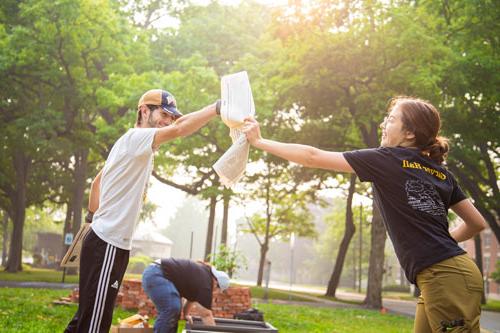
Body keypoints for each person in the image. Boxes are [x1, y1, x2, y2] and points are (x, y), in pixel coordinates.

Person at [242, 96, 487, 333]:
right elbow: (477, 223)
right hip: (450, 273)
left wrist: (260, 142)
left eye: (391, 119)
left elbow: (312, 156)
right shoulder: (440, 172)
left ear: (409, 133)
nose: (383, 124)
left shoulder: (388, 159)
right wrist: (441, 243)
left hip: (444, 277)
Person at [65, 89, 221, 333]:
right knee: (95, 324)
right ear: (143, 111)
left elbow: (98, 181)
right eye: (163, 114)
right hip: (107, 243)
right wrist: (218, 107)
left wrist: (90, 221)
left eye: (171, 117)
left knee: (87, 316)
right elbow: (180, 130)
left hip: (108, 243)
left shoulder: (131, 146)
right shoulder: (137, 139)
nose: (168, 121)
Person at [142, 258, 230, 333]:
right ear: (216, 282)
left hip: (156, 272)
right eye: (217, 289)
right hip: (157, 273)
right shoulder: (206, 283)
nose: (215, 291)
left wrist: (186, 314)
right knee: (172, 308)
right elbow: (206, 315)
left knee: (174, 310)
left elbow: (191, 298)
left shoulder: (203, 275)